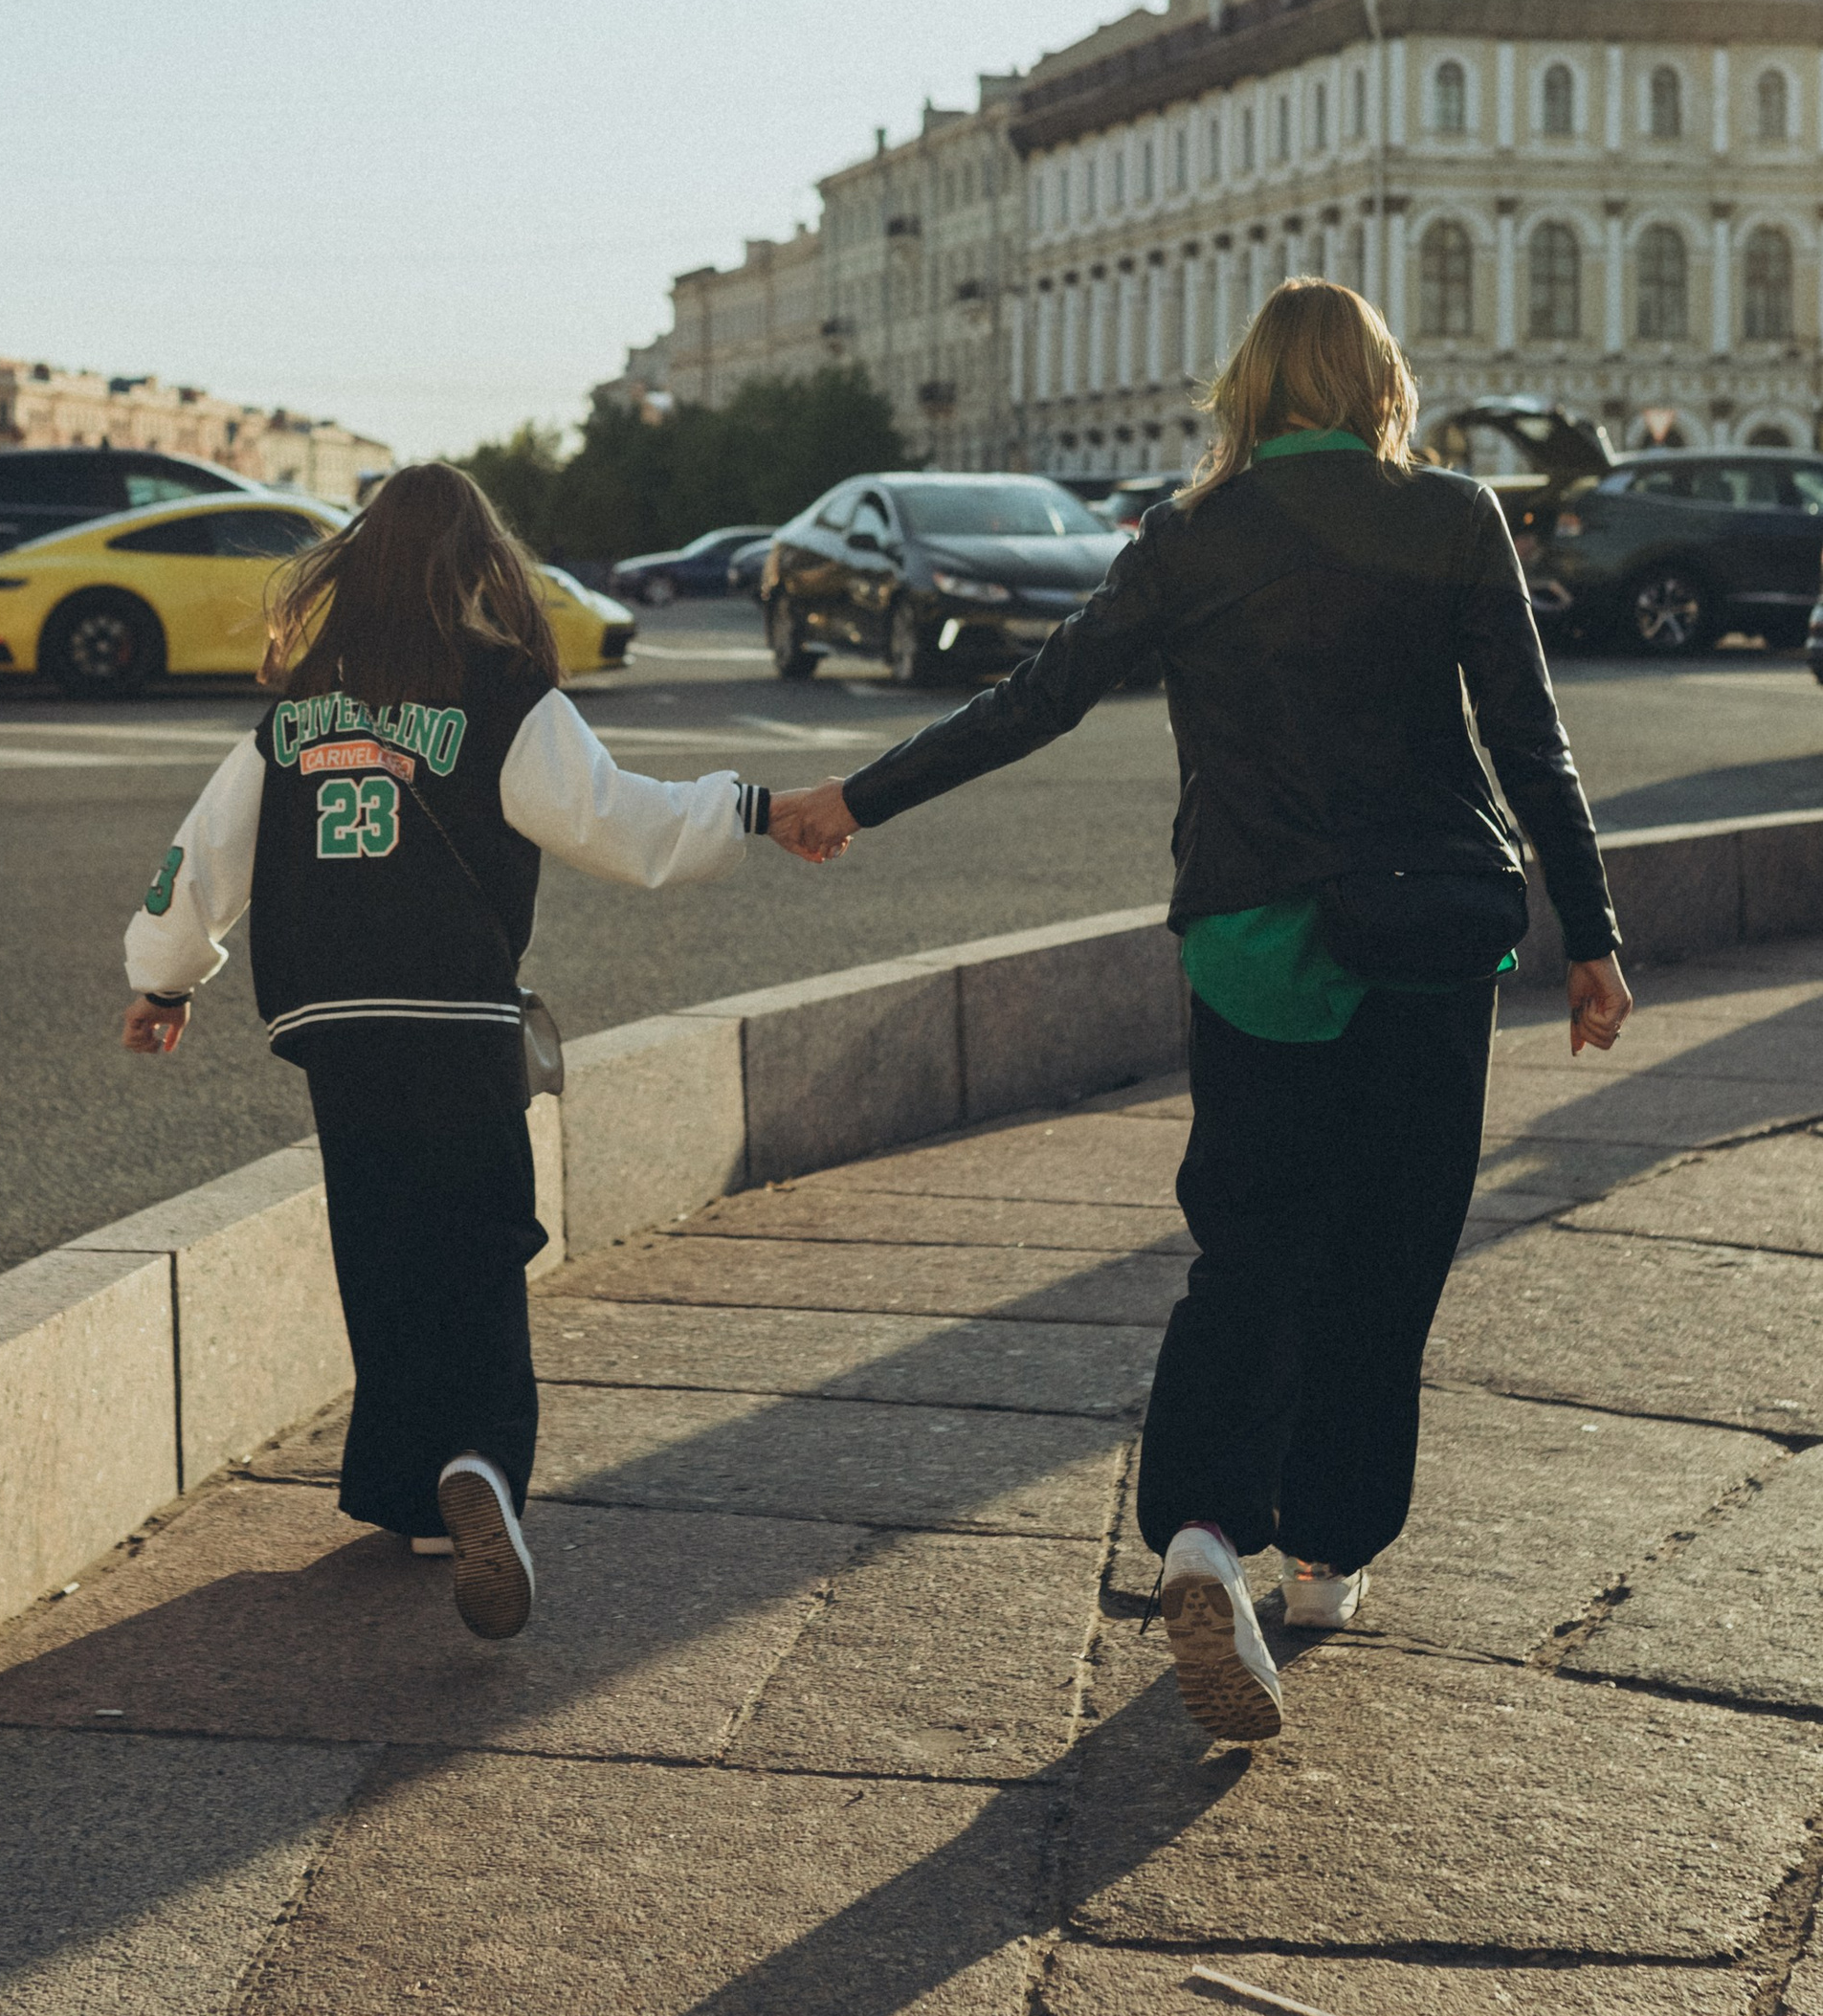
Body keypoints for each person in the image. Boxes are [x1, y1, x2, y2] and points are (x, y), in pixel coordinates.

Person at [769, 278, 1630, 1745]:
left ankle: (1201, 1536)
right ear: (1378, 387)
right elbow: (1526, 735)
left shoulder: (1189, 539)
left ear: (1249, 391)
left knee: (1251, 1244)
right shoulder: (1454, 517)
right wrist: (1594, 933)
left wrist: (851, 797)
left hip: (1255, 943)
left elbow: (1036, 700)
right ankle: (1328, 1548)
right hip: (1425, 941)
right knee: (1394, 1244)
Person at [121, 460, 788, 1642]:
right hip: (458, 1020)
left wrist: (162, 981)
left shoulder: (300, 706)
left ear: (358, 564)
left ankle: (407, 1492)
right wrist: (747, 807)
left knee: (380, 1253)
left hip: (332, 1024)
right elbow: (616, 823)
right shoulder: (503, 690)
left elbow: (200, 859)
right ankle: (479, 1463)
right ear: (481, 567)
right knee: (480, 1248)